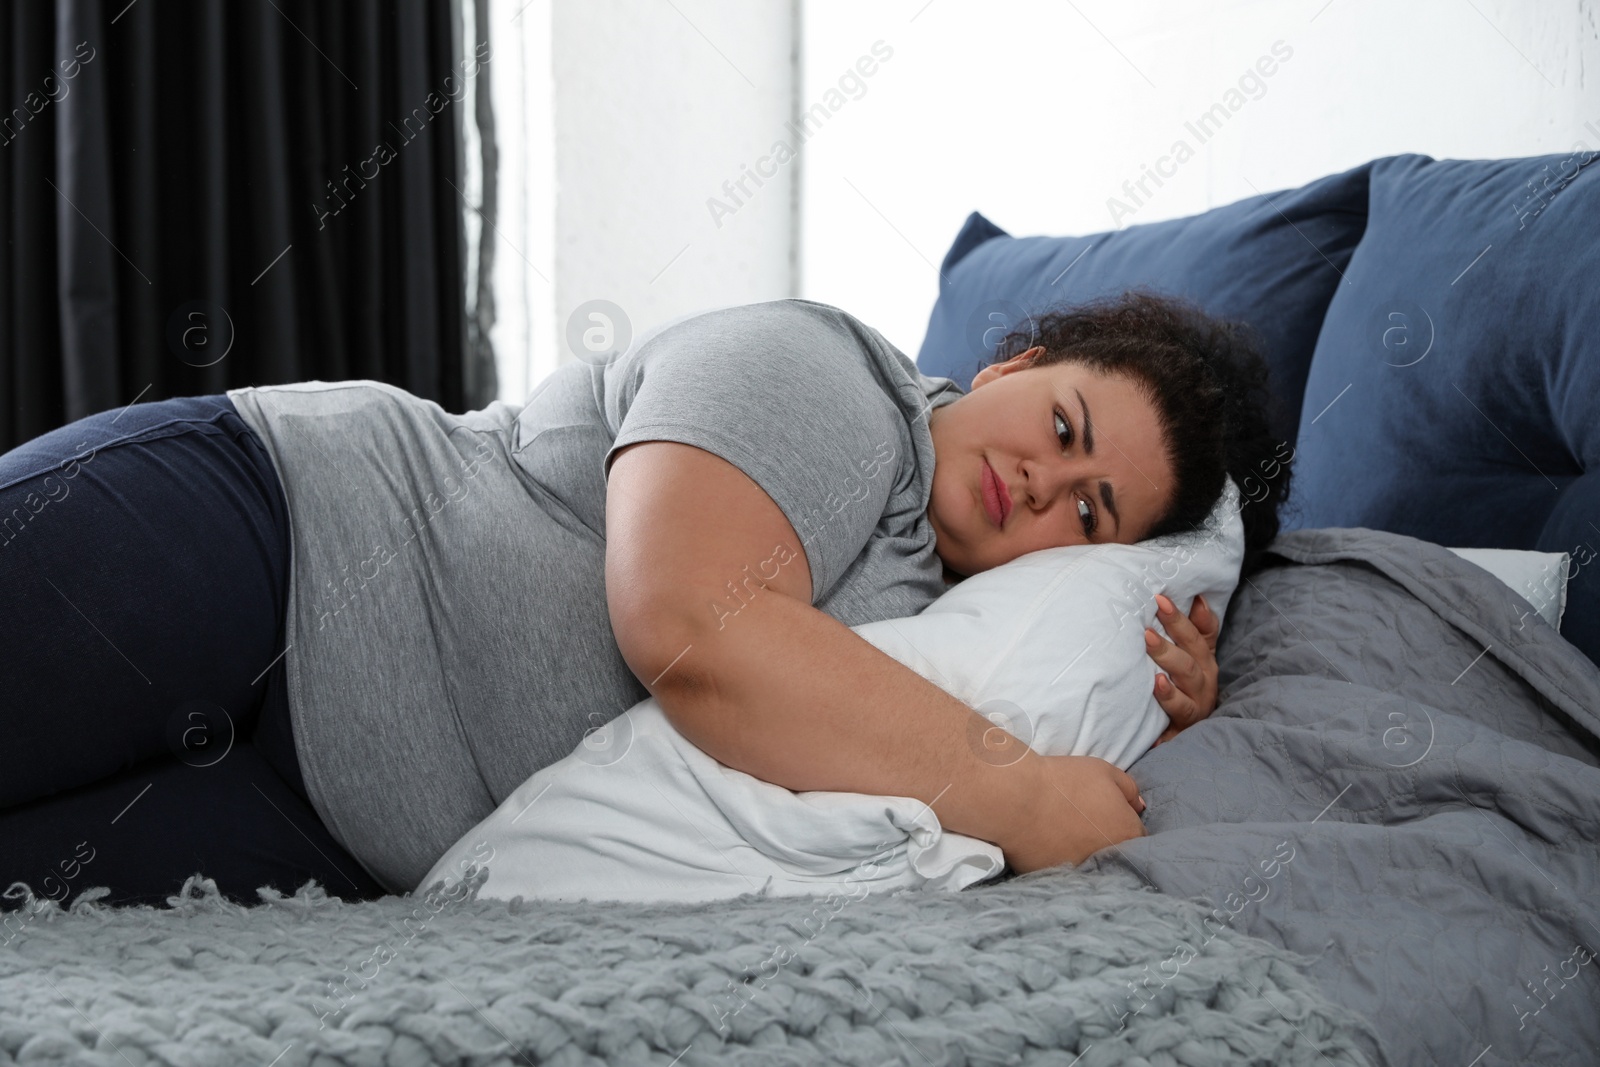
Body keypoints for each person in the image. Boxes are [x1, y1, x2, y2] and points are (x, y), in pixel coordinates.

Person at [0, 291, 1287, 909]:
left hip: (322, 831)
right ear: (1012, 362)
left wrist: (1158, 694)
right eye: (1061, 425)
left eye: (1089, 512)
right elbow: (689, 621)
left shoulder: (949, 631)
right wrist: (1017, 788)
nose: (1042, 481)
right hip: (264, 553)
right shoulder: (828, 376)